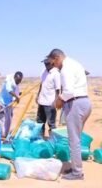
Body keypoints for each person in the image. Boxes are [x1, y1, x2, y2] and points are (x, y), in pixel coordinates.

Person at [48, 49, 91, 181]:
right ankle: (74, 166)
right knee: (76, 138)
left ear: (57, 58)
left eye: (53, 63)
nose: (54, 66)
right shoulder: (75, 63)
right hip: (84, 102)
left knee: (74, 140)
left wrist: (59, 100)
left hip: (75, 104)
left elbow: (68, 91)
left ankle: (77, 172)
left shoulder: (66, 68)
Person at [36, 59, 61, 138]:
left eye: (47, 63)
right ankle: (40, 139)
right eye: (45, 63)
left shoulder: (56, 74)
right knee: (40, 122)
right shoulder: (44, 72)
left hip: (50, 103)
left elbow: (58, 89)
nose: (46, 65)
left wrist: (56, 101)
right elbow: (41, 84)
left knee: (51, 124)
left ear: (52, 63)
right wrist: (37, 95)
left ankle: (52, 141)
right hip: (42, 101)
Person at [0, 72, 23, 140]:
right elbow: (9, 90)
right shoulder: (8, 80)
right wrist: (16, 96)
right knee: (2, 119)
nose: (18, 82)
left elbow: (16, 93)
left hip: (8, 104)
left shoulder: (16, 84)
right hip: (1, 102)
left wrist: (18, 96)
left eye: (20, 81)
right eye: (17, 80)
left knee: (8, 120)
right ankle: (2, 135)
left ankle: (5, 135)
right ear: (15, 78)